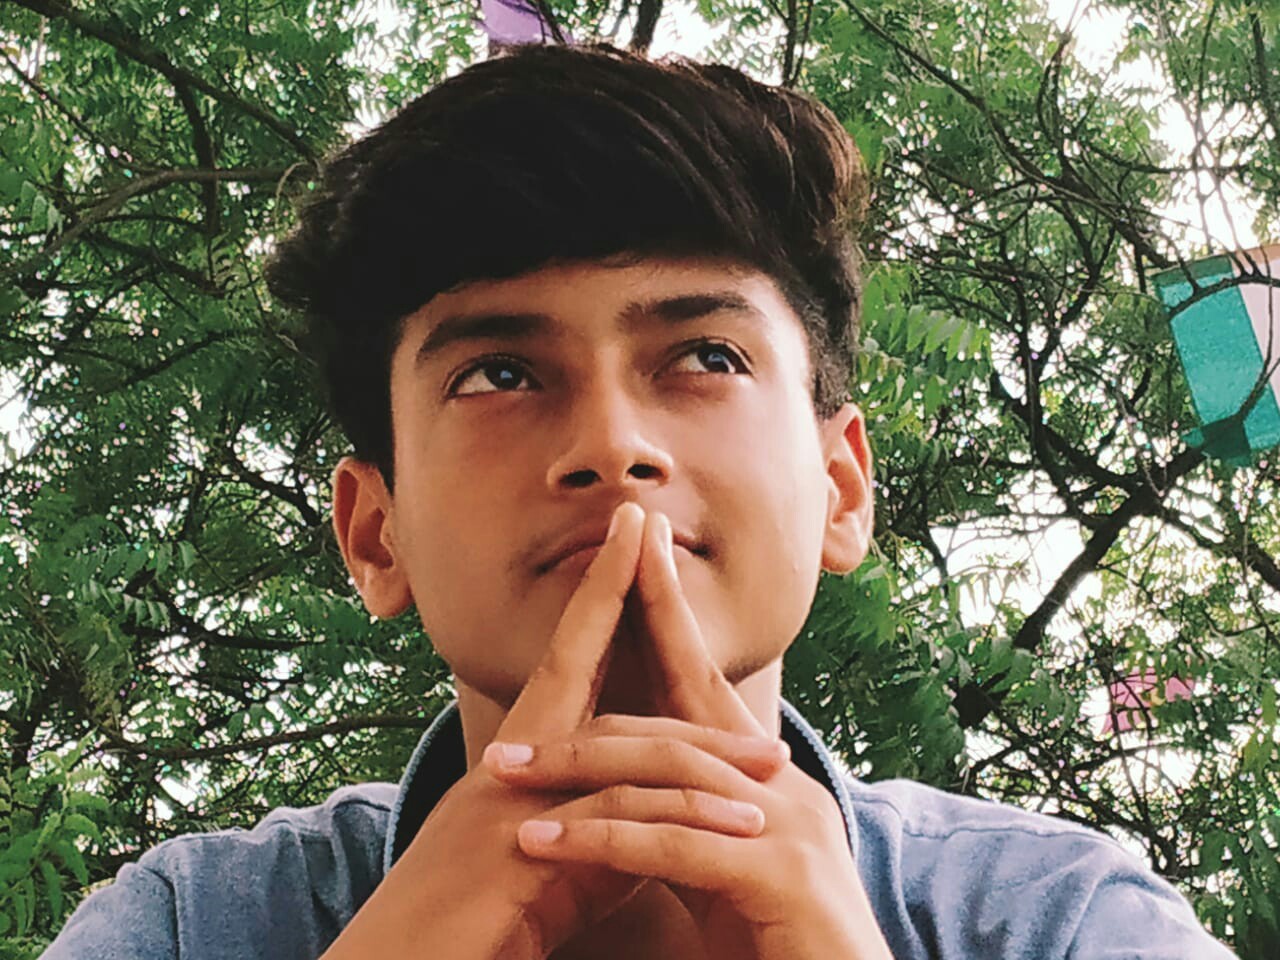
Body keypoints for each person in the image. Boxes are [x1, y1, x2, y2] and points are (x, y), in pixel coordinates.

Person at [43, 41, 1235, 960]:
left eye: (705, 357)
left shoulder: (1058, 920)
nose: (611, 446)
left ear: (839, 487)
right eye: (497, 374)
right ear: (373, 534)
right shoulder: (192, 924)